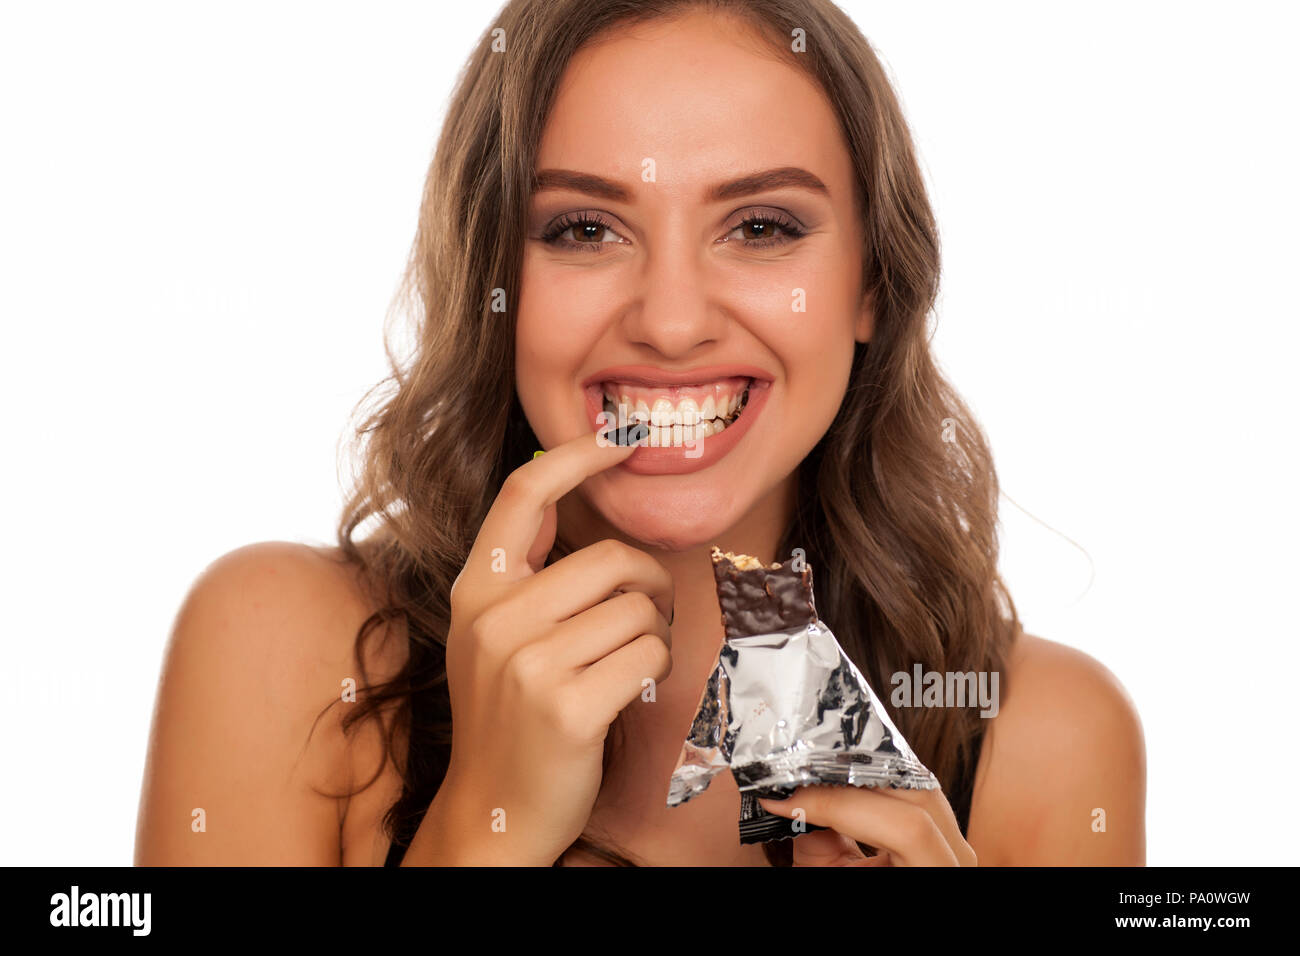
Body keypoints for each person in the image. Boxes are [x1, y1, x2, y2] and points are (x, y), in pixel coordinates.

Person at [134, 0, 1145, 867]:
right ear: (498, 285)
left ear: (872, 283)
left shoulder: (1041, 741)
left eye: (760, 227)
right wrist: (483, 825)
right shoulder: (285, 649)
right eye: (582, 229)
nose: (669, 320)